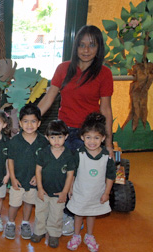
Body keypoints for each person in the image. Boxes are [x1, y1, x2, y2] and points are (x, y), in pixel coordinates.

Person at [37, 25, 113, 155]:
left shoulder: (105, 73)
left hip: (89, 134)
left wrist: (109, 143)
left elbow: (105, 109)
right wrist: (29, 120)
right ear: (75, 47)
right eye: (81, 45)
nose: (86, 50)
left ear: (99, 48)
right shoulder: (62, 68)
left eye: (92, 45)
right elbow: (48, 98)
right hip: (62, 132)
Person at [66, 113, 116, 252]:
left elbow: (111, 176)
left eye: (96, 138)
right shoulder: (79, 154)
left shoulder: (107, 156)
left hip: (97, 193)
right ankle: (76, 236)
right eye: (88, 137)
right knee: (79, 213)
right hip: (80, 191)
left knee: (92, 213)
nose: (92, 141)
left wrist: (106, 193)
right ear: (82, 137)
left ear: (103, 138)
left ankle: (89, 236)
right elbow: (72, 172)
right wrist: (70, 188)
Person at [5, 104, 49, 240]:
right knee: (14, 204)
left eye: (33, 121)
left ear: (39, 123)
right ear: (19, 123)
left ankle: (25, 223)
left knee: (29, 203)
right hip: (17, 180)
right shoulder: (15, 141)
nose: (29, 125)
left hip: (33, 181)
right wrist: (12, 178)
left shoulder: (43, 141)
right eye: (25, 121)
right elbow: (10, 160)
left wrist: (37, 176)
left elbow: (45, 162)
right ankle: (10, 223)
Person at [30, 120, 75, 248]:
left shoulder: (68, 155)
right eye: (53, 137)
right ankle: (39, 232)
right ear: (47, 137)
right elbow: (38, 170)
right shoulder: (44, 153)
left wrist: (65, 192)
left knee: (57, 215)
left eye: (60, 137)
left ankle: (54, 234)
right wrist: (39, 188)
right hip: (43, 191)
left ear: (66, 137)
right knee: (40, 212)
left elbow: (70, 174)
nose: (56, 141)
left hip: (59, 192)